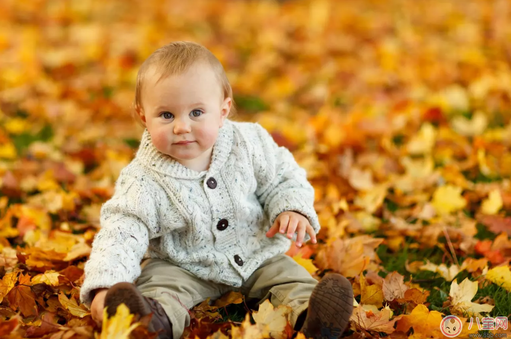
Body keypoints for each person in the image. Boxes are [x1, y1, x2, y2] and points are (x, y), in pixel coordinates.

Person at [79, 41, 354, 339]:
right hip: (183, 265)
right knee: (161, 287)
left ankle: (313, 317)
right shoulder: (143, 179)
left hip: (257, 254)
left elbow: (283, 177)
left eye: (197, 112)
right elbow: (122, 231)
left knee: (290, 279)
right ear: (143, 116)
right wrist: (104, 285)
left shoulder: (249, 143)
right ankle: (149, 322)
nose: (182, 127)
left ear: (223, 110)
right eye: (167, 115)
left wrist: (291, 207)